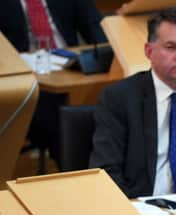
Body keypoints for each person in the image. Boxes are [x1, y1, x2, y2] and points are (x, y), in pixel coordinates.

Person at [89, 7, 176, 198]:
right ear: (149, 51)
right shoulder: (119, 98)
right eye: (170, 47)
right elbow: (106, 172)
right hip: (137, 208)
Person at [1, 0, 107, 170]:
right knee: (59, 115)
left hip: (72, 70)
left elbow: (96, 29)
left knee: (109, 100)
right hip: (26, 78)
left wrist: (108, 56)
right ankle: (75, 174)